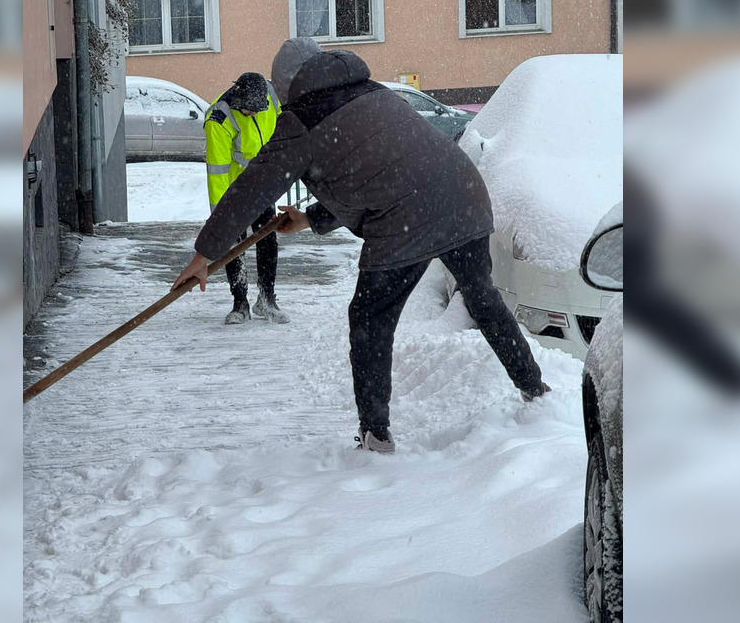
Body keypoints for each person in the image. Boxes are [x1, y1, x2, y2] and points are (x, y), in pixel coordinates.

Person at [175, 39, 548, 453]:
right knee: (482, 297)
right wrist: (311, 218)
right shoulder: (373, 91)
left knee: (370, 318)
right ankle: (536, 389)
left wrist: (204, 255)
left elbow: (250, 189)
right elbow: (373, 174)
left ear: (286, 85)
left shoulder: (302, 120)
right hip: (464, 195)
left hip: (408, 218)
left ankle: (376, 436)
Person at [203, 71, 289, 324]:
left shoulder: (271, 97)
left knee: (267, 239)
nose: (252, 114)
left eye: (256, 109)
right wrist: (220, 218)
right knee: (234, 246)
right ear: (238, 100)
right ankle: (239, 303)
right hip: (234, 190)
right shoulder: (219, 120)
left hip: (262, 184)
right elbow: (217, 173)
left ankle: (267, 299)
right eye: (247, 110)